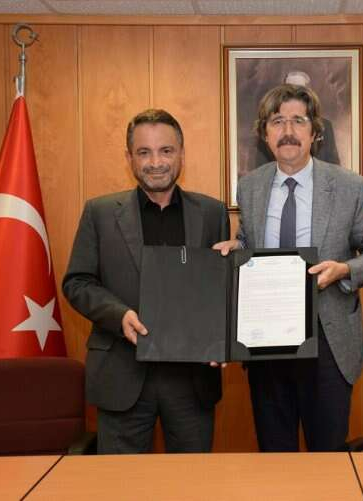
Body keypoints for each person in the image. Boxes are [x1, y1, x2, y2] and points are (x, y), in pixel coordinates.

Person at [214, 84, 363, 452]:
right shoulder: (250, 186)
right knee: (275, 454)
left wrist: (344, 270)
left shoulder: (348, 186)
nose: (288, 131)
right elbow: (250, 240)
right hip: (265, 341)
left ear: (315, 132)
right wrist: (238, 246)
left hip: (327, 340)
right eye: (277, 121)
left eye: (298, 121)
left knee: (327, 458)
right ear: (265, 134)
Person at [63, 109, 229, 454]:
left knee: (194, 480)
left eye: (166, 150)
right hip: (121, 375)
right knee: (122, 481)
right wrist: (119, 315)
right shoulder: (100, 213)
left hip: (192, 380)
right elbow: (77, 282)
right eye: (144, 152)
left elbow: (221, 288)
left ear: (181, 154)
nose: (156, 162)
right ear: (129, 158)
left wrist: (222, 340)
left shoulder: (212, 213)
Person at [253, 70, 341, 169]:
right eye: (289, 89)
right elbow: (260, 166)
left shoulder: (326, 126)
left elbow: (333, 163)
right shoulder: (268, 126)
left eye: (299, 89)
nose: (288, 132)